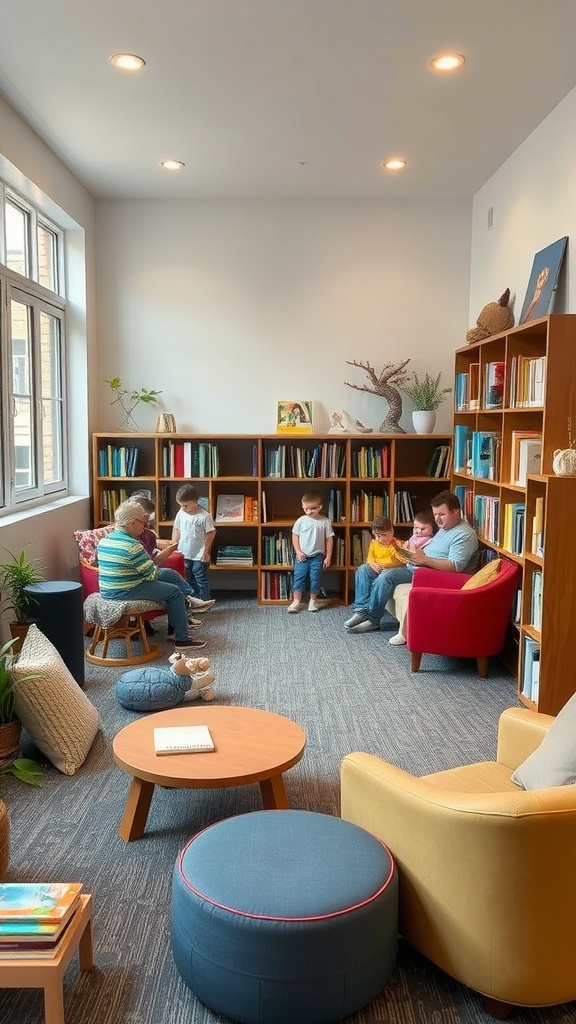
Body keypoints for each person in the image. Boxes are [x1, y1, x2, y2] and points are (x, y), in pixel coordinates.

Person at [345, 490, 478, 634]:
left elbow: (455, 566)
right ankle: (361, 610)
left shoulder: (464, 535)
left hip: (426, 573)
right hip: (416, 564)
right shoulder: (446, 527)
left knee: (386, 576)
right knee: (364, 570)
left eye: (442, 514)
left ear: (456, 512)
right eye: (435, 514)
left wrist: (424, 559)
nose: (437, 519)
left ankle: (373, 619)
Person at [96, 499, 206, 650]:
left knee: (168, 574)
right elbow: (152, 575)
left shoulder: (105, 541)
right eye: (143, 522)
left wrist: (158, 558)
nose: (145, 526)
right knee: (174, 592)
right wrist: (157, 559)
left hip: (111, 587)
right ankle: (182, 639)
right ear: (132, 523)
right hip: (125, 590)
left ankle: (190, 599)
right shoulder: (133, 546)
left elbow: (104, 562)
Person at [387, 509, 436, 646]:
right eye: (415, 528)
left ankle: (372, 617)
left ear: (432, 528)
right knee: (379, 572)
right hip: (408, 566)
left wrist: (412, 548)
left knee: (387, 576)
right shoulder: (414, 537)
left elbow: (419, 557)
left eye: (423, 529)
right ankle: (365, 611)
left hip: (418, 571)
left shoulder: (430, 541)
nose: (418, 532)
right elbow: (407, 546)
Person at [288, 490, 334, 613]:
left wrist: (328, 557)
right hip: (302, 556)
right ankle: (296, 601)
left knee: (316, 578)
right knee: (299, 577)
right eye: (305, 509)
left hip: (317, 556)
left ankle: (313, 600)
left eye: (312, 508)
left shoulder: (325, 522)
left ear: (320, 507)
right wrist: (298, 551)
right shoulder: (301, 521)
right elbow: (295, 536)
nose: (309, 512)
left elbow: (329, 540)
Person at [172, 484, 216, 602]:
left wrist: (206, 552)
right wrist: (173, 546)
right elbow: (176, 529)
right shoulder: (181, 513)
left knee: (200, 577)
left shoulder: (205, 516)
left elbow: (210, 533)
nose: (182, 508)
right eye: (180, 505)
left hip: (199, 555)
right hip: (184, 552)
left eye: (185, 505)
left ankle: (204, 601)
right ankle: (193, 601)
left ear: (195, 502)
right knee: (187, 577)